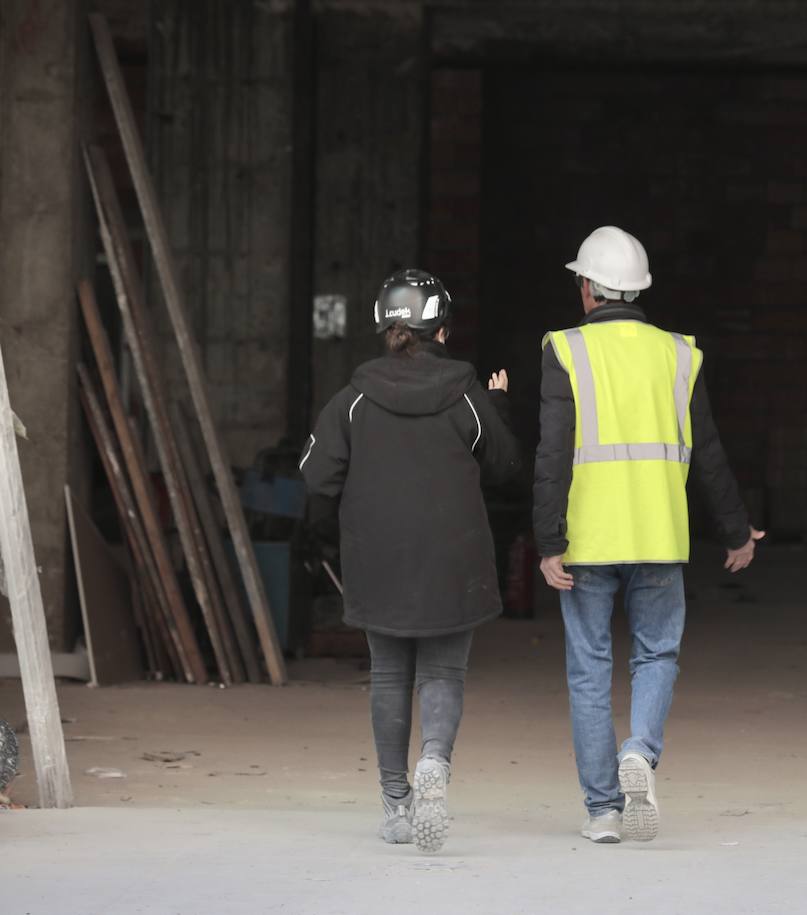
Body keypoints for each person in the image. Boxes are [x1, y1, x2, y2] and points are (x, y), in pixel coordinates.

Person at [534, 226, 765, 845]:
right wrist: (737, 531)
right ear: (638, 291)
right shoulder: (680, 354)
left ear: (587, 287)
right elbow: (709, 452)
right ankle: (639, 751)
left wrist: (548, 540)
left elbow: (552, 456)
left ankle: (604, 811)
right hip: (661, 535)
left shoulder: (565, 350)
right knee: (656, 655)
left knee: (589, 670)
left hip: (587, 540)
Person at [300, 269, 521, 854]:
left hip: (378, 558)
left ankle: (396, 804)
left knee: (391, 675)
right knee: (443, 673)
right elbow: (504, 465)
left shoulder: (353, 400)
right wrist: (498, 404)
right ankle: (435, 764)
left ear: (384, 329)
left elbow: (316, 476)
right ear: (442, 331)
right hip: (454, 558)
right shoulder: (469, 397)